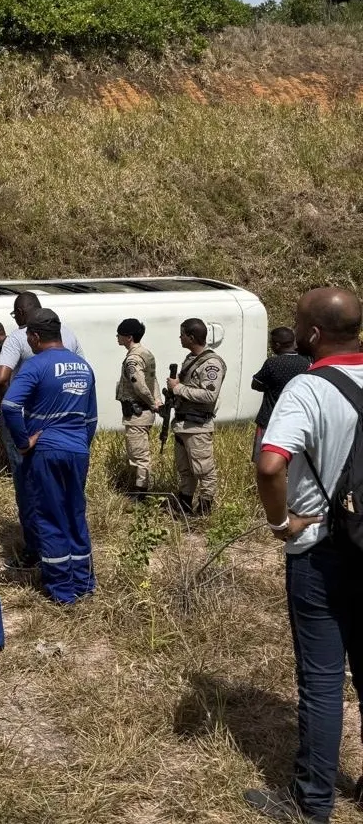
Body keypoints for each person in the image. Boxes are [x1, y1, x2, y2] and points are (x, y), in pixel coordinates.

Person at [246, 288, 363, 824]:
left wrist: (280, 524)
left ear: (313, 334)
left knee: (321, 680)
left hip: (321, 549)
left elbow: (270, 464)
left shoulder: (308, 388)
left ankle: (312, 801)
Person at [2, 308, 98, 603]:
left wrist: (23, 442)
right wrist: (80, 444)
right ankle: (84, 583)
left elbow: (9, 406)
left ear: (34, 337)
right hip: (78, 450)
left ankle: (61, 590)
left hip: (46, 451)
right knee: (75, 514)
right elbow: (91, 418)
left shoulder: (36, 366)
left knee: (49, 517)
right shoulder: (83, 366)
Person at [0, 293, 84, 568]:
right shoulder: (69, 335)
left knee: (27, 484)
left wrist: (4, 407)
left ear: (21, 313)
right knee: (67, 492)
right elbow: (82, 375)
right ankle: (69, 549)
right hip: (69, 428)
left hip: (30, 424)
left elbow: (1, 378)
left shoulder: (18, 338)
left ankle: (35, 549)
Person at [167, 318, 226, 516]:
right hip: (182, 424)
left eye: (182, 334)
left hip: (197, 426)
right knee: (185, 469)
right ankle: (184, 506)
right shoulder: (190, 358)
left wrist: (178, 388)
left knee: (204, 470)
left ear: (191, 337)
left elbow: (209, 395)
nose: (180, 337)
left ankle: (204, 511)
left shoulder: (211, 364)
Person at [115, 318, 162, 495]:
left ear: (129, 337)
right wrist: (157, 400)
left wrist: (152, 402)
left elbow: (139, 385)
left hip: (137, 413)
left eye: (119, 334)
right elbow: (153, 380)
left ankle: (140, 492)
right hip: (143, 411)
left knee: (138, 455)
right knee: (138, 452)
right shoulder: (146, 354)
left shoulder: (132, 359)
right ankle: (139, 489)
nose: (117, 337)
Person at [250, 327, 311, 463]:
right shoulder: (306, 364)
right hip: (296, 421)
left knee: (265, 462)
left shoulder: (272, 363)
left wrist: (270, 386)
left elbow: (255, 384)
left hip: (269, 420)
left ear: (277, 345)